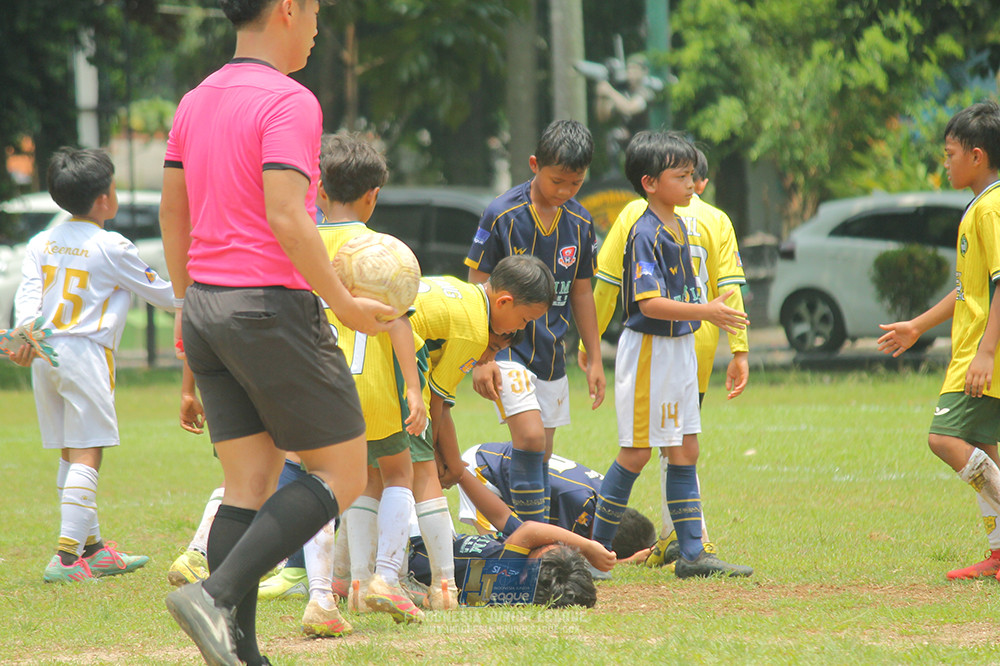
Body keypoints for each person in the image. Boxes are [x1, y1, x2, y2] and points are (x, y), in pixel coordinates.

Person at [159, 1, 393, 664]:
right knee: (344, 470)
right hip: (268, 308)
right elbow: (289, 216)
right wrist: (344, 303)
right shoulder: (289, 101)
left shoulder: (195, 100)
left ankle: (239, 650)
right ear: (287, 7)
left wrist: (186, 311)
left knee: (249, 481)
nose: (318, 25)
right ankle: (218, 592)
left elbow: (173, 215)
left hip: (206, 306)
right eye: (315, 8)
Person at [343, 257, 555, 615]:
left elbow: (443, 404)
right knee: (422, 474)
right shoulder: (473, 329)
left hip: (361, 363)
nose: (519, 330)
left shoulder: (458, 290)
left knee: (373, 475)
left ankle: (358, 585)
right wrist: (439, 458)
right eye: (523, 320)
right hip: (397, 366)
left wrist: (447, 454)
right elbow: (437, 401)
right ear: (503, 302)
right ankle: (444, 587)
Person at [590, 130, 752, 579]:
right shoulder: (644, 231)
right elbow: (648, 304)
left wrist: (705, 317)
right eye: (680, 176)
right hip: (650, 352)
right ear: (649, 183)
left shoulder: (679, 225)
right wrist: (707, 311)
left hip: (679, 348)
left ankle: (692, 554)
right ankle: (596, 552)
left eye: (691, 174)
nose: (691, 182)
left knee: (685, 449)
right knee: (637, 453)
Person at [10, 147, 171, 583]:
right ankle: (65, 559)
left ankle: (93, 550)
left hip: (45, 350)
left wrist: (24, 332)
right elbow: (167, 297)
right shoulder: (112, 244)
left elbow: (28, 296)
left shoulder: (41, 242)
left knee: (69, 447)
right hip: (84, 353)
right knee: (88, 450)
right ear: (103, 200)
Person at [306, 131, 427, 631]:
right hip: (375, 387)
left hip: (317, 386)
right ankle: (384, 579)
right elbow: (400, 323)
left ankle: (319, 599)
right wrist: (413, 388)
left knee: (318, 485)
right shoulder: (386, 251)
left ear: (317, 191)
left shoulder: (302, 244)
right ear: (372, 196)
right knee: (398, 473)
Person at [877, 101, 1000, 581]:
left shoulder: (991, 208)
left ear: (975, 155)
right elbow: (968, 290)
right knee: (983, 447)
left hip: (982, 352)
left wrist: (985, 352)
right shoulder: (980, 205)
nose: (943, 163)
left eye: (948, 154)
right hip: (976, 348)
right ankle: (997, 556)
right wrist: (917, 326)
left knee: (944, 438)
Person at [465, 119, 605, 527]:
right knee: (527, 439)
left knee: (541, 452)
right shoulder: (502, 214)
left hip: (551, 354)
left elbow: (581, 292)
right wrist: (482, 354)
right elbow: (477, 285)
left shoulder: (580, 223)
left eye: (575, 184)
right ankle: (533, 543)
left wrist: (593, 356)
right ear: (533, 165)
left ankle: (520, 530)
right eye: (557, 180)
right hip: (507, 348)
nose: (564, 191)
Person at [406, 466, 616, 608]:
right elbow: (501, 516)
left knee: (401, 470)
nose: (550, 540)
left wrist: (588, 547)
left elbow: (530, 530)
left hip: (413, 548)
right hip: (434, 540)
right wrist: (459, 472)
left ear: (529, 574)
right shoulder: (518, 566)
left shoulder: (505, 579)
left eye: (549, 546)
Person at [456, 440, 655, 563]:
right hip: (482, 470)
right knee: (506, 551)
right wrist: (622, 561)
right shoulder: (581, 506)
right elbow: (556, 551)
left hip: (499, 459)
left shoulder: (604, 495)